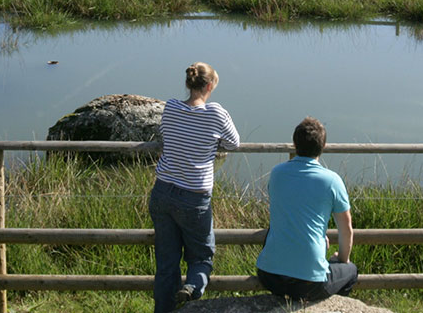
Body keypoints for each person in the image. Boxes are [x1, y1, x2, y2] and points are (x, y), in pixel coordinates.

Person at [148, 62, 239, 312]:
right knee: (201, 257)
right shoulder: (216, 112)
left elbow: (165, 134)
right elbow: (233, 143)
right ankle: (194, 287)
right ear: (210, 86)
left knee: (167, 263)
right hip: (193, 197)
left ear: (188, 84)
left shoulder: (172, 107)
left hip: (163, 190)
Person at [256, 117, 358, 301]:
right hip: (309, 284)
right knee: (350, 271)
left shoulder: (277, 173)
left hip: (268, 276)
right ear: (323, 146)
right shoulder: (332, 181)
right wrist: (341, 259)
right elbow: (346, 229)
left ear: (294, 144)